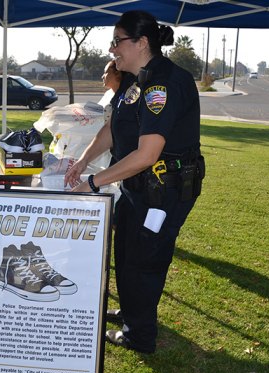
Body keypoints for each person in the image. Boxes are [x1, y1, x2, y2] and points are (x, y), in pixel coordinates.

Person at [65, 10, 204, 354]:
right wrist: (82, 162)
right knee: (125, 251)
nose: (112, 49)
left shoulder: (166, 83)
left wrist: (94, 183)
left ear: (141, 43)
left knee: (144, 260)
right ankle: (130, 313)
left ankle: (139, 336)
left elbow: (147, 154)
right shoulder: (132, 79)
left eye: (117, 41)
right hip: (134, 187)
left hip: (163, 191)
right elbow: (114, 128)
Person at [98, 59, 123, 124]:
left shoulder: (128, 96)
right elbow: (98, 110)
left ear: (117, 74)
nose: (102, 76)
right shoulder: (108, 93)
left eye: (106, 72)